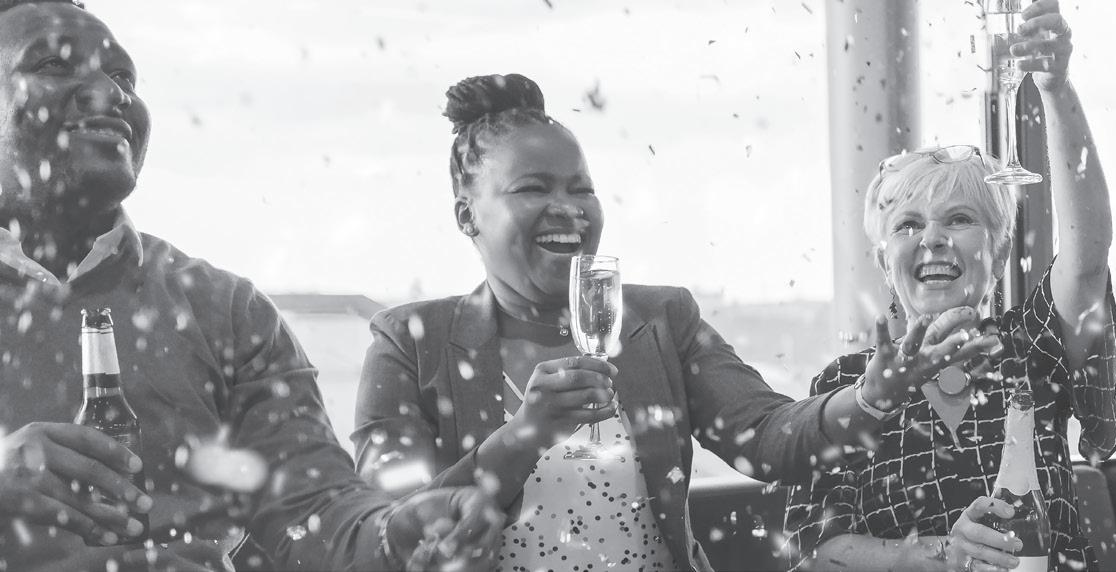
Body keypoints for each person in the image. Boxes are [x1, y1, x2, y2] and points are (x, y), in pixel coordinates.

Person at [0, 1, 502, 570]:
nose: (111, 94)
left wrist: (396, 532)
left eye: (123, 77)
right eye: (52, 65)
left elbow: (315, 512)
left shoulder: (225, 309)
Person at [350, 73, 908, 572]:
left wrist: (867, 399)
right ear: (467, 214)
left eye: (582, 189)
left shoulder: (661, 321)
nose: (568, 207)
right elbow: (382, 534)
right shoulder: (410, 343)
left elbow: (764, 438)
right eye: (533, 188)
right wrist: (523, 437)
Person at [783, 2, 1116, 570]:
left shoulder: (1031, 350)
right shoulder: (845, 386)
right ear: (884, 260)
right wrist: (946, 554)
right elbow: (815, 554)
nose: (933, 239)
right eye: (908, 225)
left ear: (999, 251)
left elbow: (1086, 257)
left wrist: (1055, 88)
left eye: (960, 219)